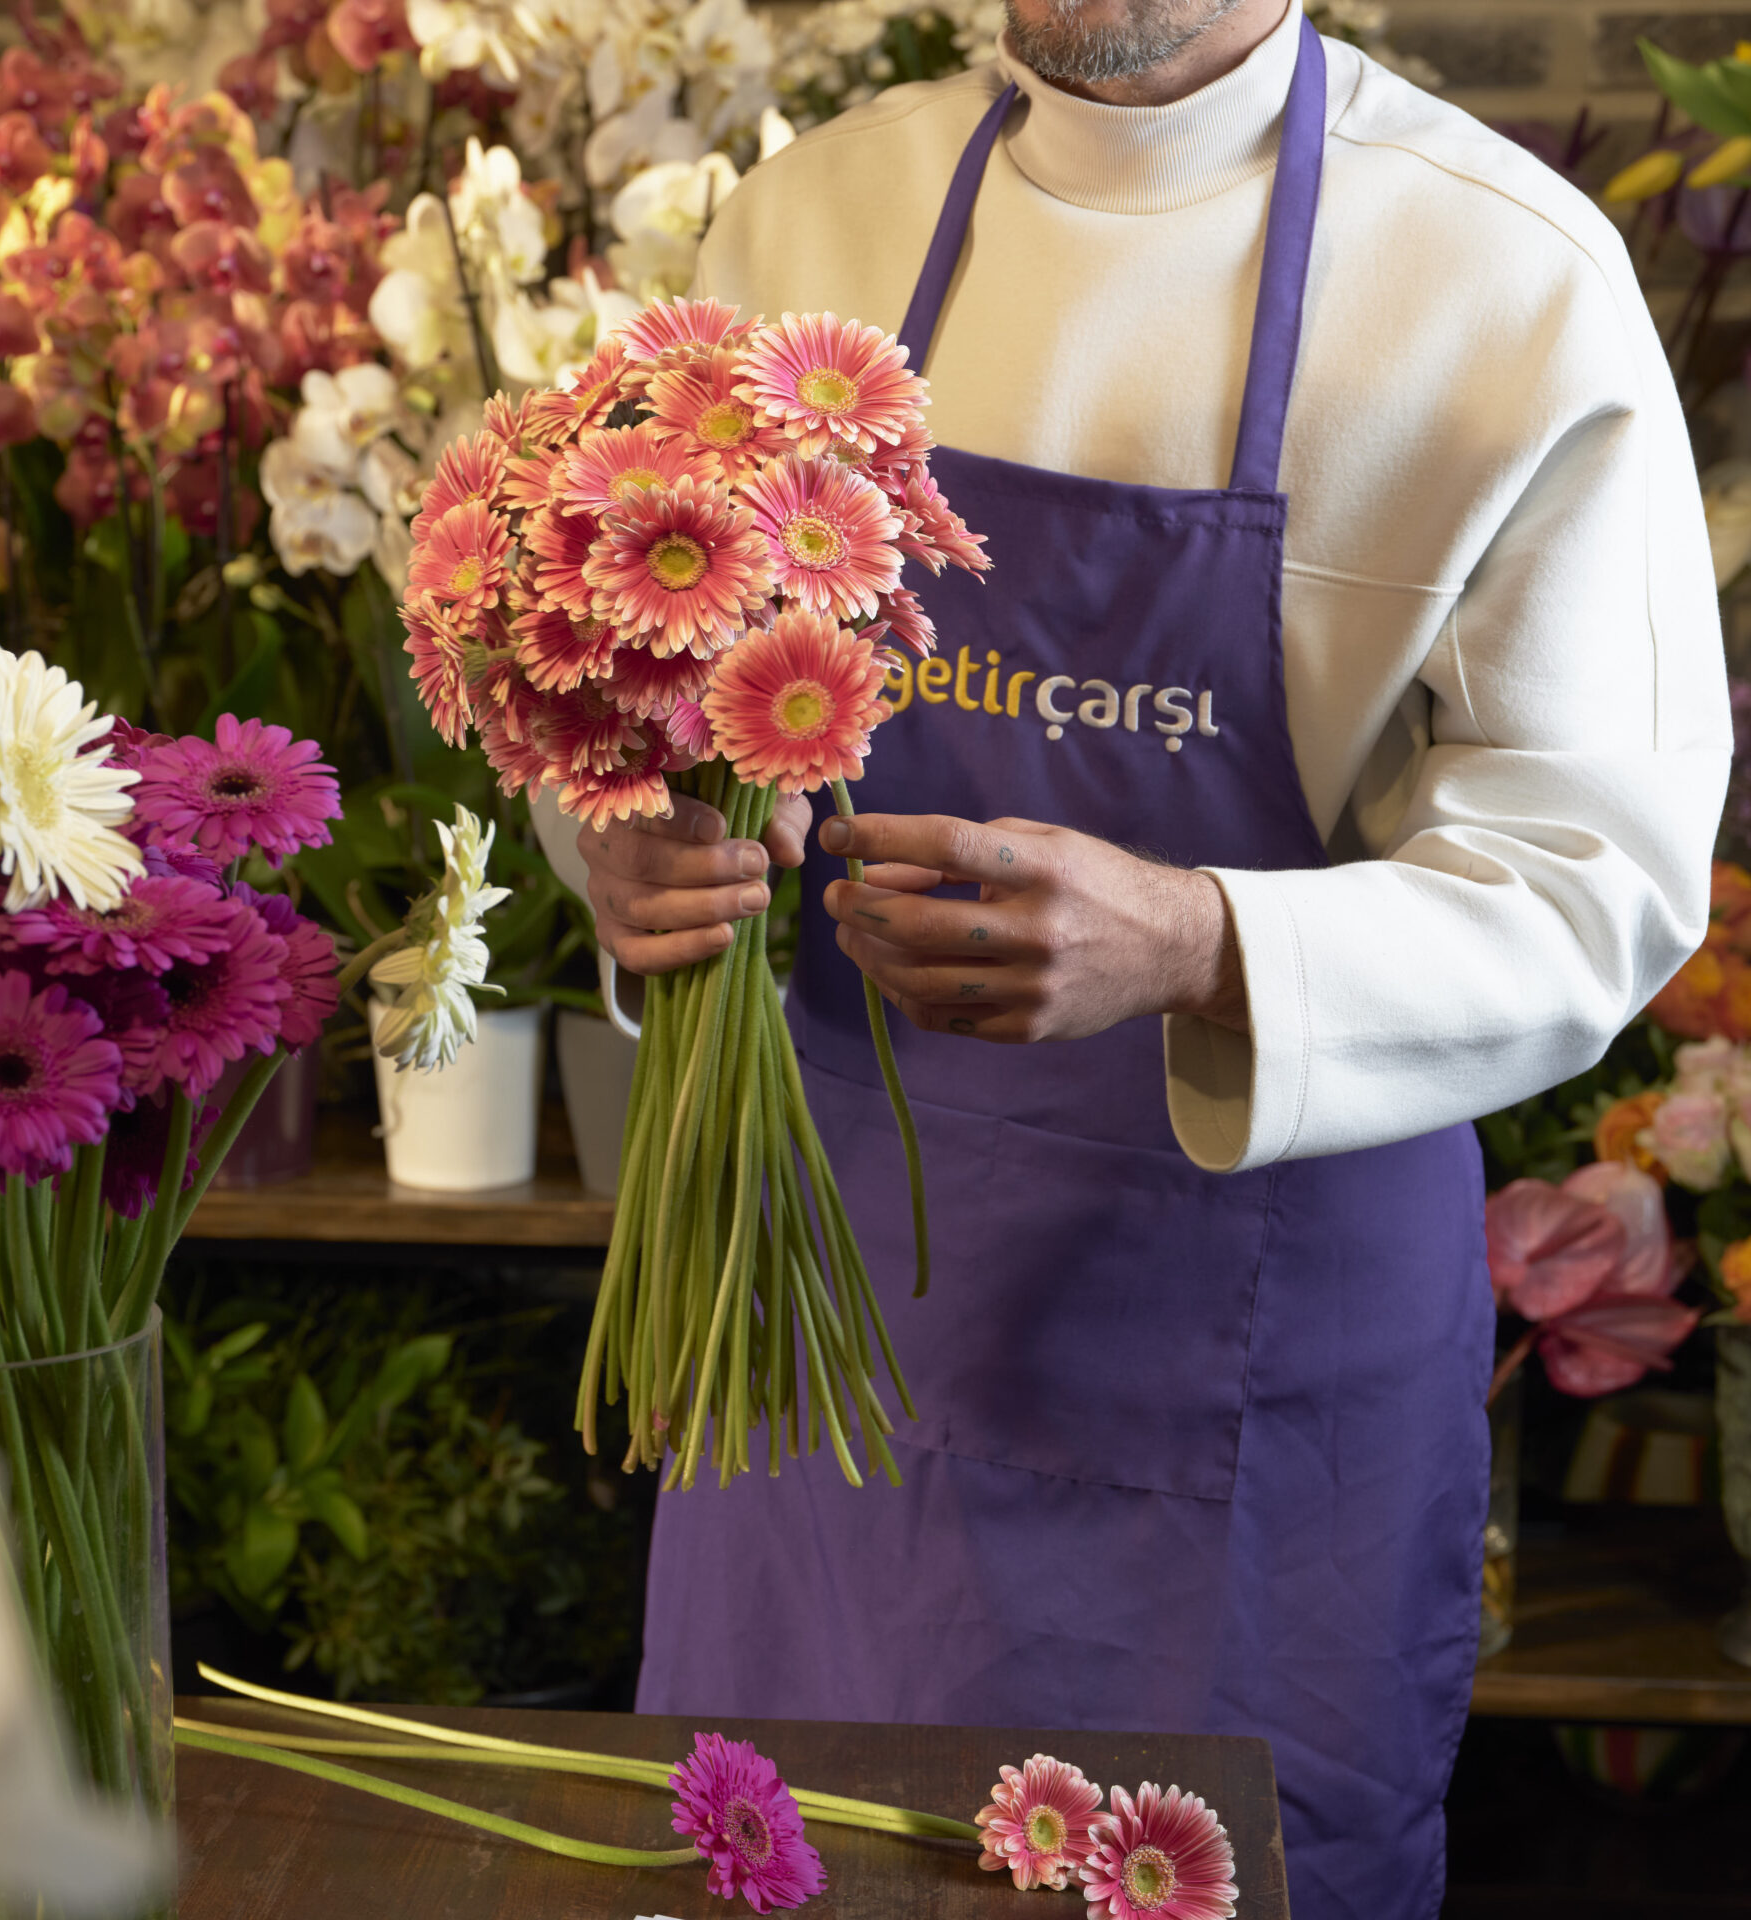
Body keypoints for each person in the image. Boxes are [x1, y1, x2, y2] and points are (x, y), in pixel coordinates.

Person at [549, 1, 1730, 1914]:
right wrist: (628, 846)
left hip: (1260, 1392)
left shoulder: (1505, 283)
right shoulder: (804, 228)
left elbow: (1600, 882)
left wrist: (1195, 936)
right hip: (825, 1327)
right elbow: (633, 682)